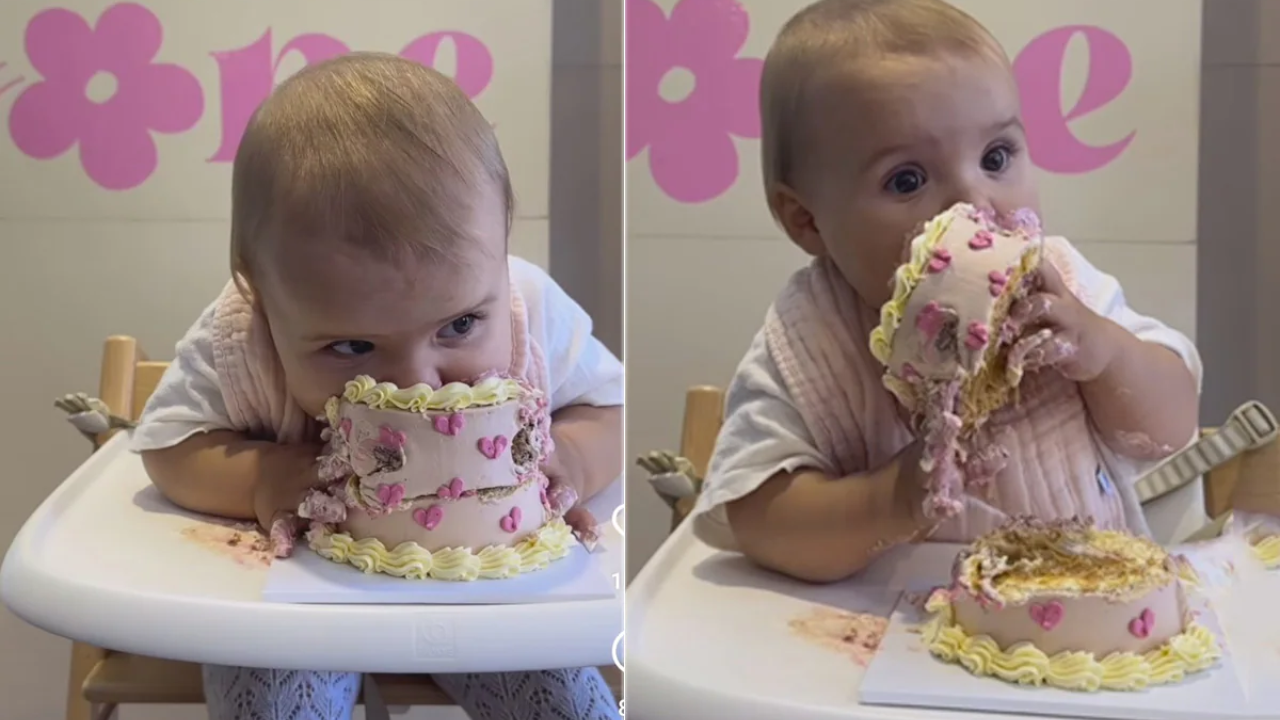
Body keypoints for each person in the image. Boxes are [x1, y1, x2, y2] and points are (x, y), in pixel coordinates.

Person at [132, 53, 622, 720]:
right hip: (295, 602)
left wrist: (573, 459)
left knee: (568, 702)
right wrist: (257, 477)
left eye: (459, 326)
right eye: (353, 346)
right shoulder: (242, 337)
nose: (415, 380)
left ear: (500, 251)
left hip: (491, 584)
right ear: (264, 295)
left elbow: (612, 408)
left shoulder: (526, 309)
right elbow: (167, 447)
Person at [690, 0, 1201, 583]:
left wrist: (1105, 353)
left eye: (996, 157)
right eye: (906, 179)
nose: (974, 202)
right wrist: (891, 501)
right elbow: (760, 517)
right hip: (882, 645)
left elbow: (1170, 429)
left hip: (1087, 620)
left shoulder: (1066, 286)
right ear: (807, 220)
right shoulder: (812, 337)